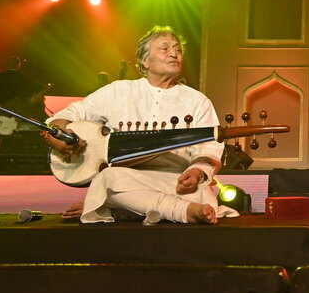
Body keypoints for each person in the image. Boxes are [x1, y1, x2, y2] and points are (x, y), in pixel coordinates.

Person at [46, 26, 226, 225]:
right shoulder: (118, 92)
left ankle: (115, 207)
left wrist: (197, 172)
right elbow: (69, 114)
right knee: (107, 178)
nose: (174, 53)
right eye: (165, 49)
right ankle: (182, 211)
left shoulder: (197, 101)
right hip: (127, 178)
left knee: (201, 191)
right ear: (145, 60)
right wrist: (58, 131)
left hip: (174, 182)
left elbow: (211, 147)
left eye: (178, 49)